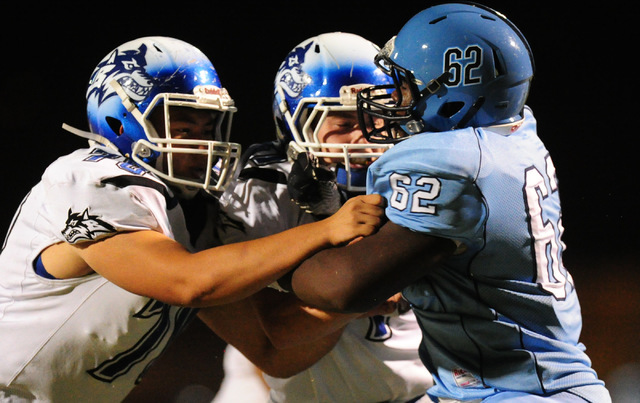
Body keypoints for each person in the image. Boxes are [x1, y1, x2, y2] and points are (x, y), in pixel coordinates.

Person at [0, 36, 384, 402]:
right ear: (119, 122)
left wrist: (359, 295)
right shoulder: (87, 178)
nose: (203, 145)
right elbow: (187, 281)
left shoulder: (195, 213)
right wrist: (327, 229)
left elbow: (274, 354)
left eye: (208, 127)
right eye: (183, 129)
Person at [287, 4, 612, 403]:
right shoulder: (512, 136)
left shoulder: (453, 164)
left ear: (454, 90)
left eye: (404, 86)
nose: (394, 98)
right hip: (495, 387)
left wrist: (282, 263)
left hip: (518, 393)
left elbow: (340, 287)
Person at [201, 32, 433, 403]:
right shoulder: (262, 192)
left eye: (376, 118)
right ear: (296, 124)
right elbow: (277, 331)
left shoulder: (422, 176)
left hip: (428, 391)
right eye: (343, 123)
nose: (365, 137)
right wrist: (367, 284)